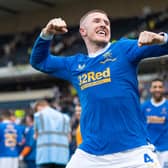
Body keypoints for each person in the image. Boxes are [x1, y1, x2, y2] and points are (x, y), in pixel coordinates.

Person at [30, 9, 168, 168]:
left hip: (134, 152)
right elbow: (39, 62)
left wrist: (161, 39)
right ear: (83, 31)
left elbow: (163, 47)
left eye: (106, 22)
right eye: (97, 21)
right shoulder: (74, 65)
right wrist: (46, 34)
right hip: (90, 155)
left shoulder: (122, 49)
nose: (103, 24)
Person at [33, 100, 71, 168]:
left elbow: (35, 136)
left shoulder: (38, 116)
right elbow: (69, 139)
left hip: (44, 156)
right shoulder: (65, 117)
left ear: (39, 107)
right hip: (62, 156)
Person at [141, 78, 168, 168]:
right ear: (150, 89)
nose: (157, 89)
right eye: (155, 87)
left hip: (166, 149)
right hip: (150, 149)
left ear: (163, 89)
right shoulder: (143, 107)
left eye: (160, 87)